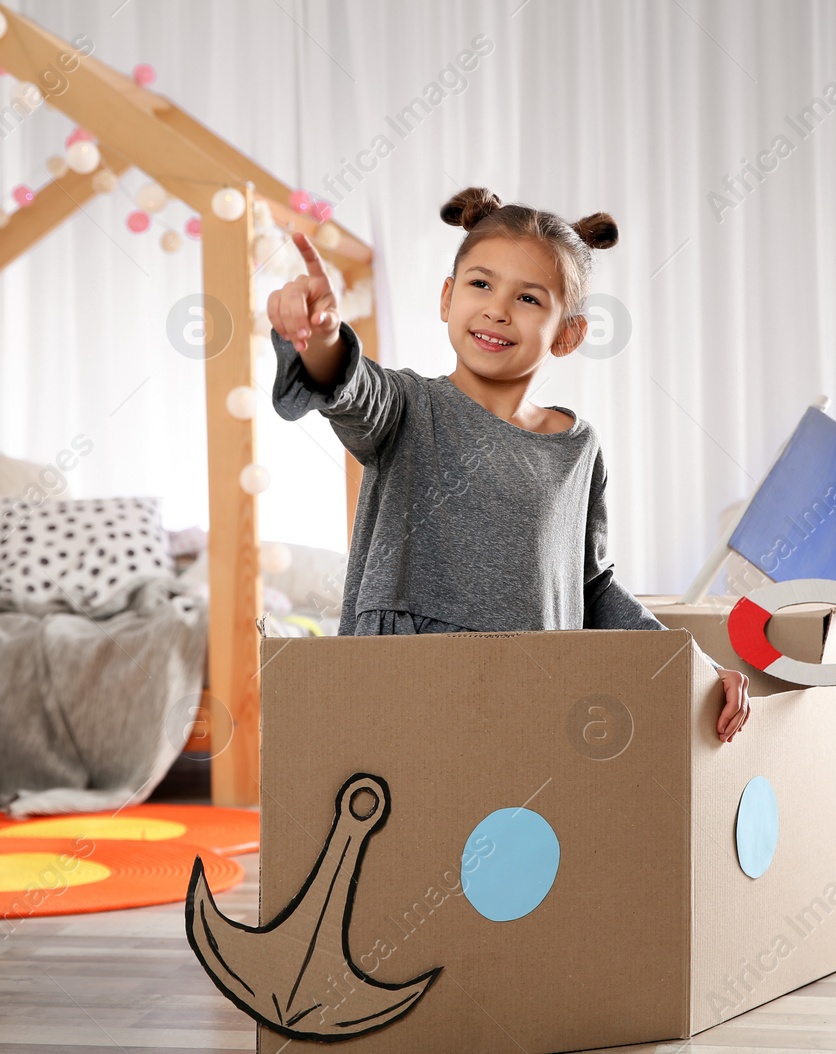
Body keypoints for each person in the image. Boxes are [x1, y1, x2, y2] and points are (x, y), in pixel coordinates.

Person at [269, 186, 750, 742]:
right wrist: (323, 338)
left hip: (533, 700)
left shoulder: (577, 447)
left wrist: (694, 666)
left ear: (567, 334)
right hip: (403, 692)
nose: (497, 309)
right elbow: (350, 387)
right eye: (480, 284)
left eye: (528, 299)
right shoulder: (406, 409)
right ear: (447, 297)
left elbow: (591, 588)